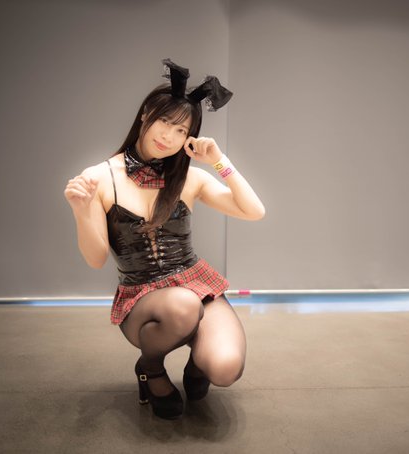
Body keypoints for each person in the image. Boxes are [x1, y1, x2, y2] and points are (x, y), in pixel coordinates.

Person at [63, 59, 265, 420]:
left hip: (196, 284)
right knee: (183, 305)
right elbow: (95, 259)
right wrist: (81, 211)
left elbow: (254, 211)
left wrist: (219, 161)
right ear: (145, 115)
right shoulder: (100, 177)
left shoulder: (190, 179)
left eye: (180, 130)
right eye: (164, 122)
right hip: (142, 300)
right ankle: (151, 368)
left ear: (189, 138)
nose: (168, 136)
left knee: (225, 368)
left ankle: (197, 362)